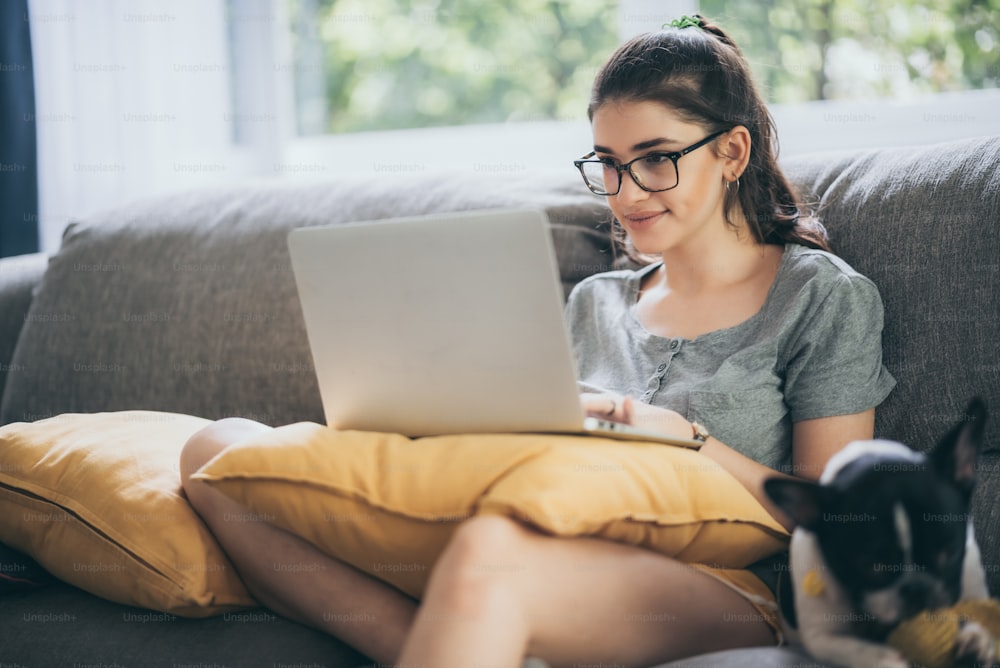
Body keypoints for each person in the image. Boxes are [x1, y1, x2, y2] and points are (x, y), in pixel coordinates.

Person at [180, 14, 895, 667]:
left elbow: (839, 517)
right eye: (608, 163)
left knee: (491, 557)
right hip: (534, 544)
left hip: (725, 588)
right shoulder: (595, 303)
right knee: (216, 451)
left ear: (732, 152)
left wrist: (683, 436)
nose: (625, 192)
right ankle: (428, 642)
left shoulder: (821, 298)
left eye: (654, 158)